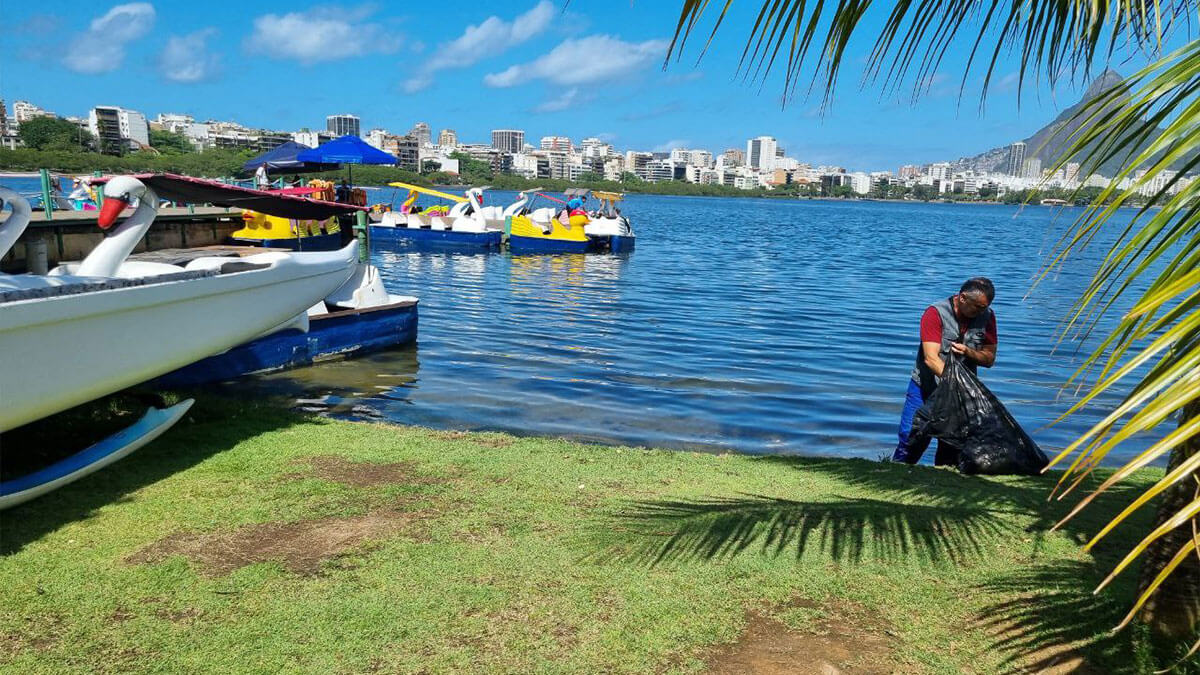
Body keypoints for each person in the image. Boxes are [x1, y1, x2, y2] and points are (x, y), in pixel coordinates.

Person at [892, 277, 998, 465]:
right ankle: (897, 472)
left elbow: (989, 358)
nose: (982, 312)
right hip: (925, 388)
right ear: (962, 298)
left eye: (985, 307)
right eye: (978, 307)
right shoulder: (935, 313)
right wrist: (957, 383)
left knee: (952, 446)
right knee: (911, 437)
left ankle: (943, 481)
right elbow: (931, 359)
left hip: (960, 396)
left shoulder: (987, 317)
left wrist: (969, 352)